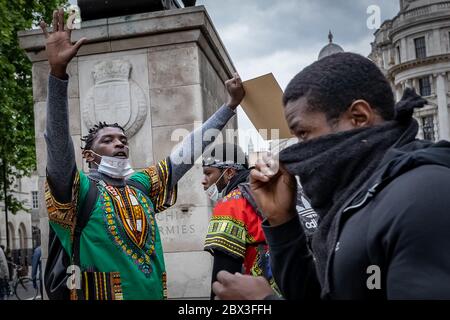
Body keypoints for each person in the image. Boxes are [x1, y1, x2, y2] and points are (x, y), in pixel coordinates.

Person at [40, 8, 245, 300]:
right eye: (107, 140)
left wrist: (229, 107)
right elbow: (57, 148)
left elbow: (186, 152)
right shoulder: (78, 191)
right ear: (89, 156)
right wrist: (57, 77)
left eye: (123, 139)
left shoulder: (140, 184)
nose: (119, 143)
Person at [213, 52, 450, 300]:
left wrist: (264, 302)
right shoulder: (355, 198)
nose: (298, 150)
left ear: (358, 117)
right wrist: (282, 222)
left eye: (304, 133)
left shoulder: (423, 194)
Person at [202, 143, 279, 299]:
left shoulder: (232, 203)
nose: (203, 181)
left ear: (229, 172)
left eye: (208, 173)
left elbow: (223, 280)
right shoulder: (274, 188)